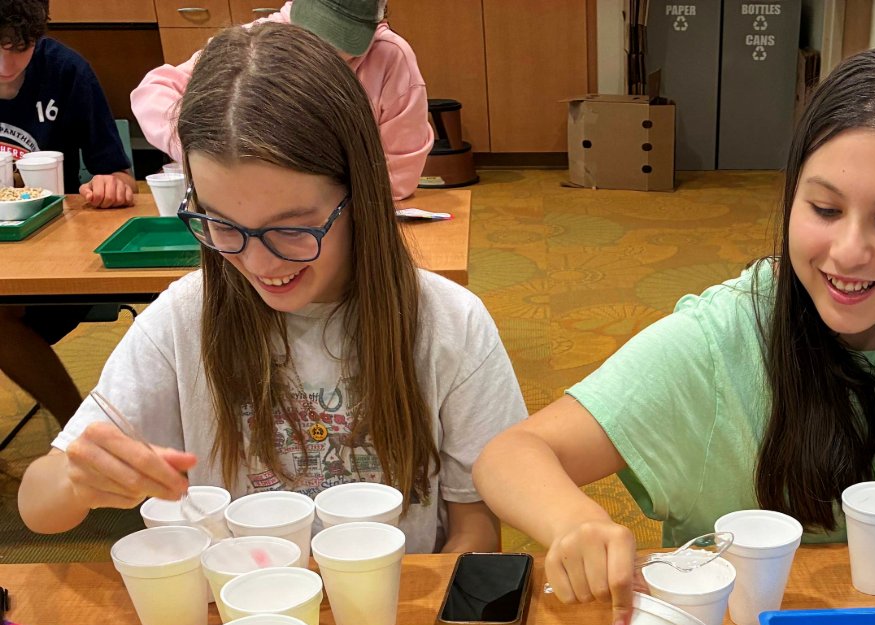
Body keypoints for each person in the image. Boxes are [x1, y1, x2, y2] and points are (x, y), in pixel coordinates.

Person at [474, 45, 875, 625]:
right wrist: (572, 518)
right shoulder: (718, 343)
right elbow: (510, 455)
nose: (848, 251)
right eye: (824, 208)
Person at [19, 21, 526, 555]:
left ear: (362, 195)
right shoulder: (181, 322)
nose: (259, 262)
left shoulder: (449, 323)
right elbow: (38, 505)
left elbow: (476, 526)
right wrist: (78, 480)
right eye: (223, 225)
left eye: (292, 228)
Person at [130, 0, 433, 201]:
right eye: (318, 29)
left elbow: (398, 177)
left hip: (348, 220)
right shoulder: (253, 45)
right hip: (253, 208)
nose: (326, 48)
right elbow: (154, 91)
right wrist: (204, 149)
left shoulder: (391, 59)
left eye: (343, 37)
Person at [0, 0, 136, 427]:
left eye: (17, 48)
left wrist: (109, 183)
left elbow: (117, 172)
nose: (5, 65)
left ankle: (78, 430)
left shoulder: (66, 70)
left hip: (52, 269)